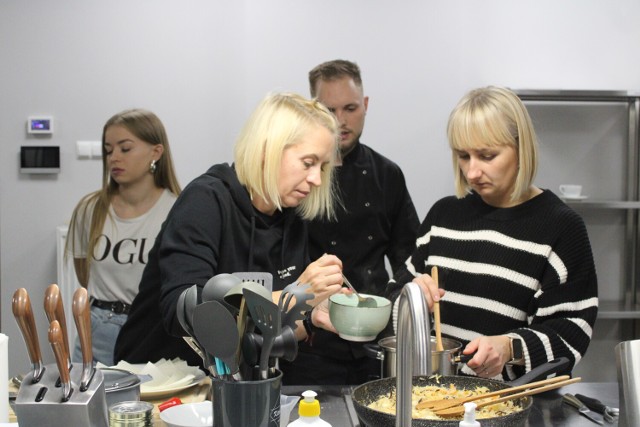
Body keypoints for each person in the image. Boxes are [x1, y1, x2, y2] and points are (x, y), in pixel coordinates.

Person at [114, 93, 347, 368]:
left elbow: (263, 331)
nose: (317, 179)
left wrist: (310, 316)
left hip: (227, 382)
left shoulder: (291, 218)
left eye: (323, 167)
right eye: (308, 163)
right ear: (266, 149)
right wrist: (292, 296)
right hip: (158, 379)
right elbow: (184, 312)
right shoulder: (205, 201)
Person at [385, 86, 598, 381]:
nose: (472, 173)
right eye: (463, 156)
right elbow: (392, 300)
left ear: (521, 148)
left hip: (507, 407)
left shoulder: (561, 228)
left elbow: (572, 333)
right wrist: (411, 300)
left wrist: (511, 347)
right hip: (432, 398)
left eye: (487, 156)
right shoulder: (443, 216)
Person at [280, 59, 420, 385]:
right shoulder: (294, 178)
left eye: (350, 108)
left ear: (365, 105)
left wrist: (394, 314)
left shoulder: (387, 174)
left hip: (375, 342)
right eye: (329, 109)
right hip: (308, 343)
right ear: (313, 109)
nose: (340, 121)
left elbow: (408, 259)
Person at [66, 108, 181, 366]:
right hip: (94, 329)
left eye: (125, 149)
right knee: (84, 403)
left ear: (156, 152)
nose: (114, 158)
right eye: (108, 150)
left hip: (147, 329)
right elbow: (84, 275)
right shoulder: (90, 209)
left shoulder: (176, 210)